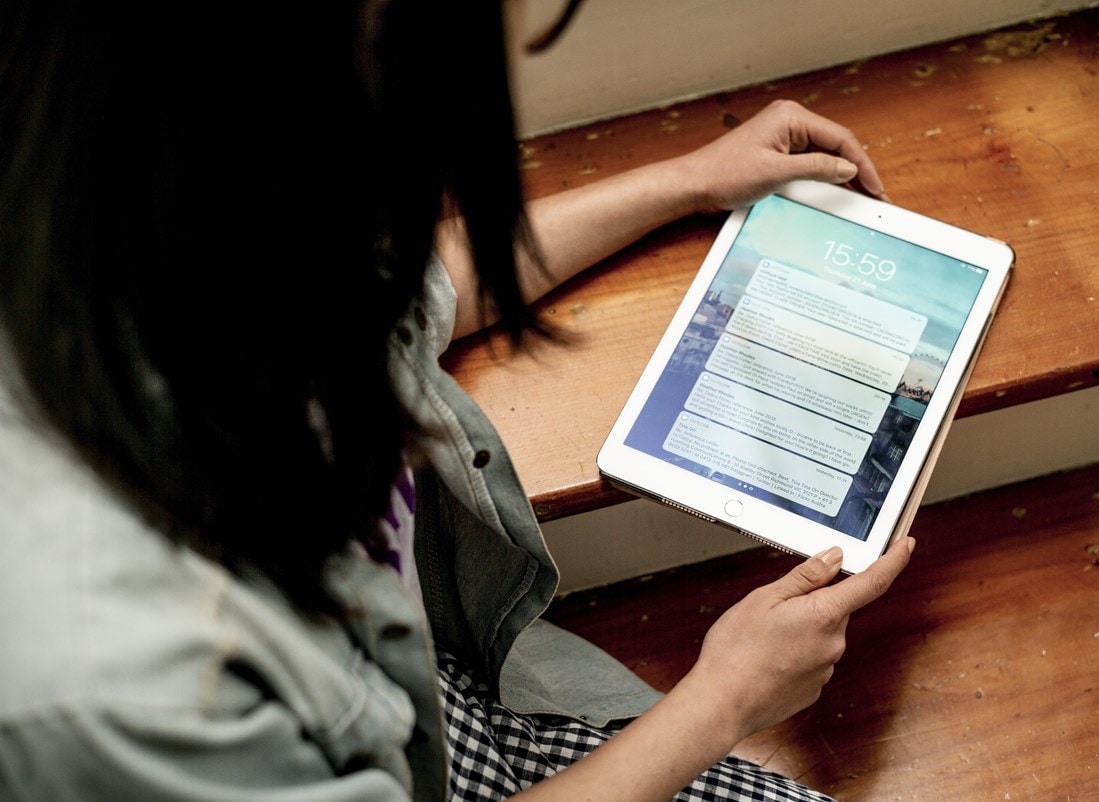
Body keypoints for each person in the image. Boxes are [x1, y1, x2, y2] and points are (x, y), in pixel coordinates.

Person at [0, 2, 911, 800]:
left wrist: (688, 180)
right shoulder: (124, 691)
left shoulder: (173, 231)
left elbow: (403, 293)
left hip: (416, 703)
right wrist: (724, 704)